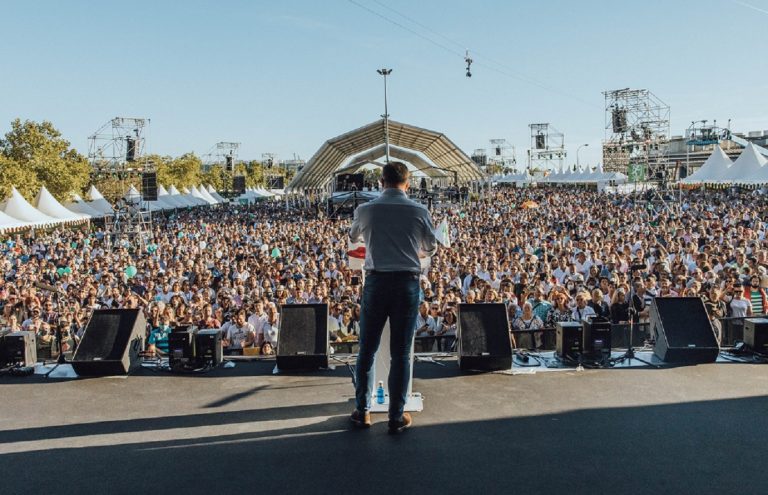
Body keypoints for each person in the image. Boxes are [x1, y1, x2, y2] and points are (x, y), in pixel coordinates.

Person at [349, 162, 437, 433]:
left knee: (367, 350)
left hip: (375, 282)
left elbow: (354, 237)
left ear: (381, 182)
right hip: (406, 284)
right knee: (400, 353)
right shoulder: (419, 211)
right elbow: (431, 246)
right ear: (407, 184)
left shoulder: (365, 210)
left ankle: (363, 412)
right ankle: (396, 416)